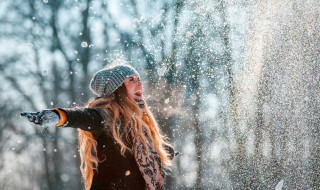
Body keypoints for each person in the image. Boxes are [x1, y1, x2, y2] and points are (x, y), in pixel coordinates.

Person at [21, 62, 175, 190]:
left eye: (138, 79)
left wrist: (161, 152)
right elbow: (85, 117)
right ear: (118, 89)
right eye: (131, 80)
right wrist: (60, 116)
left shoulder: (140, 123)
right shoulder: (108, 116)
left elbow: (135, 154)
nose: (139, 83)